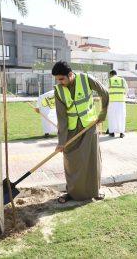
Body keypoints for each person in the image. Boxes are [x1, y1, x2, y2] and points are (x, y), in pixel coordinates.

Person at [52, 61, 109, 203]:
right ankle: (72, 193)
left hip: (89, 126)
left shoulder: (85, 79)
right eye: (57, 79)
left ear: (70, 75)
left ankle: (94, 192)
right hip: (72, 130)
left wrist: (103, 113)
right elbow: (62, 117)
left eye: (61, 79)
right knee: (71, 162)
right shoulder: (58, 90)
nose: (59, 82)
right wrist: (61, 141)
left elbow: (104, 92)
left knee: (91, 160)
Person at [107, 70, 128, 138]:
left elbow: (105, 90)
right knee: (121, 117)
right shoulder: (122, 80)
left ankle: (112, 132)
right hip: (121, 102)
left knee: (111, 117)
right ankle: (121, 133)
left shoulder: (109, 80)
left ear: (111, 75)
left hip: (112, 102)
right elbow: (126, 89)